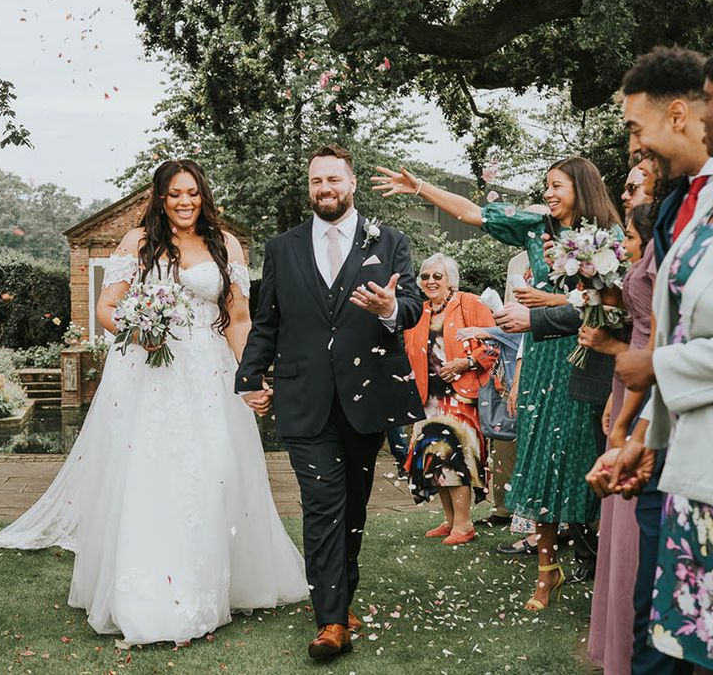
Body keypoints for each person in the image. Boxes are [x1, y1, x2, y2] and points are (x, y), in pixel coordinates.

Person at [0, 160, 309, 645]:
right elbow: (106, 309)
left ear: (202, 196)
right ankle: (152, 594)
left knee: (216, 470)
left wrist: (248, 376)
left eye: (192, 193)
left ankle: (219, 584)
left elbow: (238, 319)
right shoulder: (137, 243)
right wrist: (138, 329)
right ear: (160, 198)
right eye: (174, 194)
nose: (184, 202)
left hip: (209, 375)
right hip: (152, 375)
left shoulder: (225, 245)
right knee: (154, 474)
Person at [373, 156, 621, 611]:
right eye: (545, 185)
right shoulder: (535, 228)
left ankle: (604, 562)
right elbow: (472, 212)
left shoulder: (610, 240)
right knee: (542, 460)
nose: (548, 193)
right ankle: (548, 571)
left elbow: (614, 309)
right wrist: (420, 186)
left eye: (557, 186)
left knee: (588, 461)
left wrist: (543, 309)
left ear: (582, 188)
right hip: (543, 360)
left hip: (588, 361)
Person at [235, 143, 424, 659]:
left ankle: (340, 595)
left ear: (352, 183)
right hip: (305, 398)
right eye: (317, 181)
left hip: (368, 399)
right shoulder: (283, 247)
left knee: (353, 509)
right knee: (322, 506)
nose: (325, 189)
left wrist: (390, 308)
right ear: (309, 187)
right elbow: (267, 320)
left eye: (334, 180)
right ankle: (331, 621)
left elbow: (411, 305)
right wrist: (250, 376)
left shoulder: (389, 241)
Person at [604, 46, 710, 675]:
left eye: (636, 127)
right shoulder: (683, 206)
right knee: (669, 637)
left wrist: (655, 369)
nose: (634, 144)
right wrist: (642, 438)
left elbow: (665, 351)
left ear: (677, 115)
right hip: (684, 459)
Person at [578, 203, 656, 675]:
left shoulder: (666, 250)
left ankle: (632, 651)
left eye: (628, 238)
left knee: (634, 521)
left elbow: (659, 344)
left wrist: (613, 349)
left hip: (648, 384)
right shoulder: (640, 264)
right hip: (631, 383)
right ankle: (618, 644)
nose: (623, 246)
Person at [403, 253, 498, 545]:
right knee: (433, 458)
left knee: (456, 458)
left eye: (437, 276)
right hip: (428, 398)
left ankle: (465, 523)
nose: (430, 281)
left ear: (450, 280)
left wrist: (466, 363)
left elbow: (496, 341)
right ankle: (450, 520)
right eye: (425, 276)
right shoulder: (417, 312)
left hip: (461, 397)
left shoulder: (469, 304)